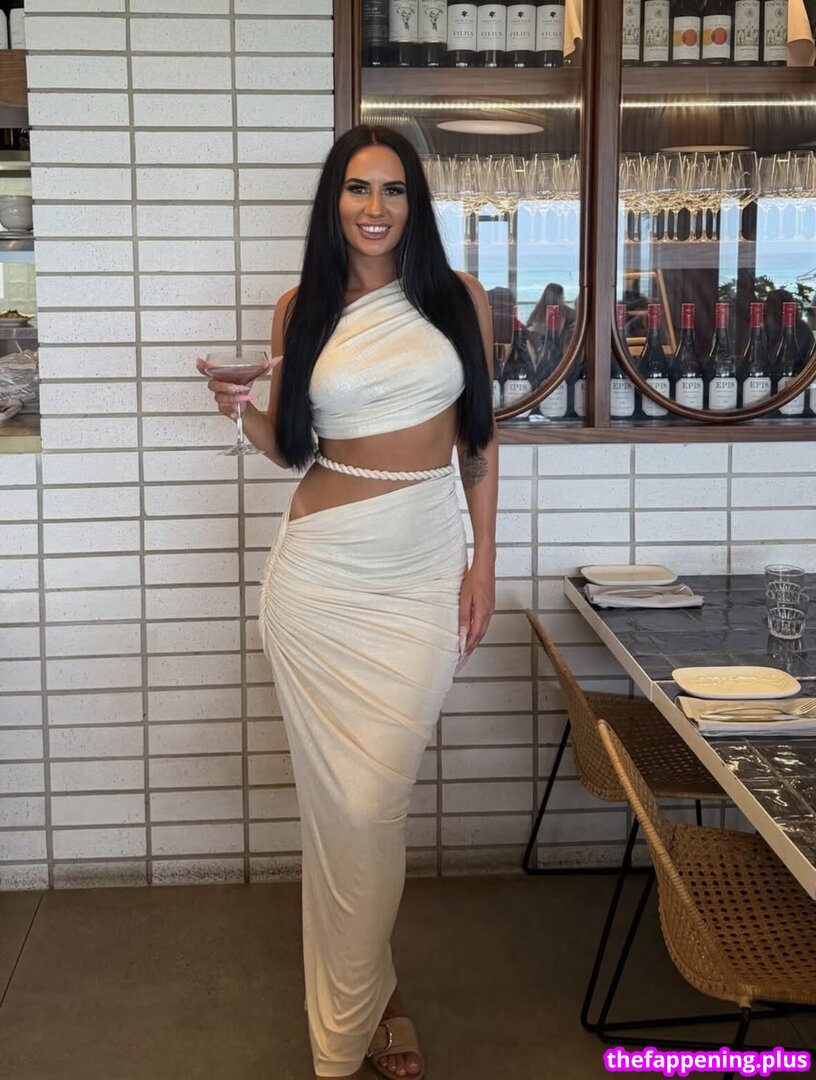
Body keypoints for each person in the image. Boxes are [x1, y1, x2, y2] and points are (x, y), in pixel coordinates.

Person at [202, 124, 498, 1080]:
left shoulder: (459, 300)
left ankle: (363, 993)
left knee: (374, 802)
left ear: (415, 203)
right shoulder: (302, 308)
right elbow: (292, 448)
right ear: (334, 202)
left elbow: (479, 442)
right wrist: (237, 408)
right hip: (318, 581)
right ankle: (375, 998)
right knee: (343, 813)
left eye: (394, 190)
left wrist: (483, 563)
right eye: (358, 189)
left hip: (421, 572)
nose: (376, 208)